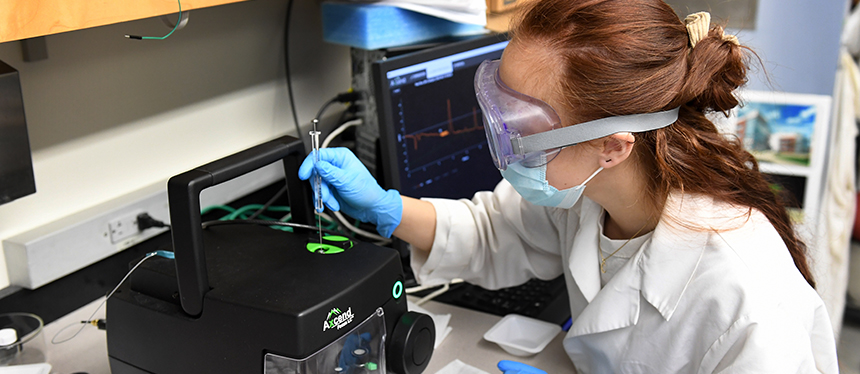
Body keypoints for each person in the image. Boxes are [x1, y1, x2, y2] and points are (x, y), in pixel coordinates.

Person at [299, 0, 840, 372]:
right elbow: (496, 231)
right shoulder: (592, 189)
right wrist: (386, 208)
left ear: (614, 145)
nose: (504, 140)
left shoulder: (748, 303)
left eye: (524, 125)